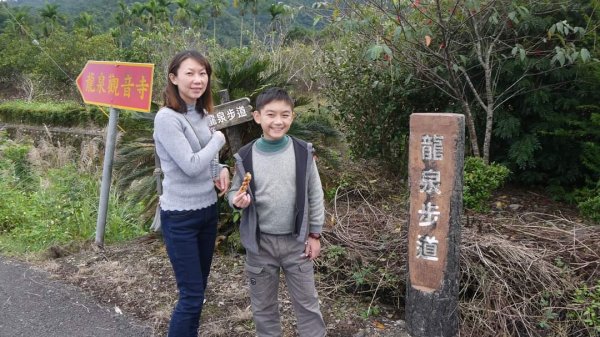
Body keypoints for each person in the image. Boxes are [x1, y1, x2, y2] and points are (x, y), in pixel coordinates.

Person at [228, 87, 327, 337]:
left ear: (292, 117)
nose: (278, 121)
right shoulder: (245, 156)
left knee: (307, 305)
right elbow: (233, 191)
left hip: (297, 243)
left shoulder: (302, 151)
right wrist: (237, 200)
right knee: (263, 308)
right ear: (257, 117)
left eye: (285, 115)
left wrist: (315, 235)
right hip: (260, 245)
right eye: (271, 114)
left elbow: (315, 193)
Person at [153, 50, 229, 337]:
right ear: (174, 78)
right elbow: (189, 165)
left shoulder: (203, 114)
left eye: (202, 73)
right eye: (190, 73)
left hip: (207, 213)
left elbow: (207, 163)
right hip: (180, 217)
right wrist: (219, 140)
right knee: (191, 296)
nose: (198, 80)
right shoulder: (167, 118)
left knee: (198, 293)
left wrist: (220, 169)